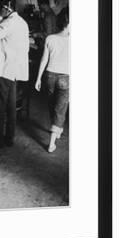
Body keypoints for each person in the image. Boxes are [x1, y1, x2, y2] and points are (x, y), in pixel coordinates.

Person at [0, 0, 30, 147]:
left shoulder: (7, 22)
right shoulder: (22, 22)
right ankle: (9, 137)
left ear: (4, 8)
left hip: (3, 69)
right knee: (11, 106)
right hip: (14, 70)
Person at [35, 8, 70, 153]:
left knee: (52, 105)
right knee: (60, 109)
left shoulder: (50, 38)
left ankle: (57, 129)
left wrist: (38, 78)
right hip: (66, 78)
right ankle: (51, 143)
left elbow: (44, 60)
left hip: (49, 76)